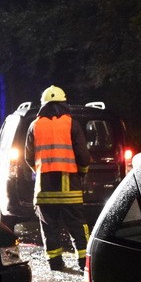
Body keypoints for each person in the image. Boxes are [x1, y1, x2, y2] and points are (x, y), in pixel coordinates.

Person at [24, 85, 92, 272]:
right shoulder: (71, 123)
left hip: (44, 188)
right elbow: (83, 155)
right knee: (77, 225)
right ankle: (83, 261)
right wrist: (82, 172)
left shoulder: (34, 125)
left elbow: (28, 157)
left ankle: (55, 262)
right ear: (64, 104)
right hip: (69, 184)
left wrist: (40, 170)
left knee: (49, 226)